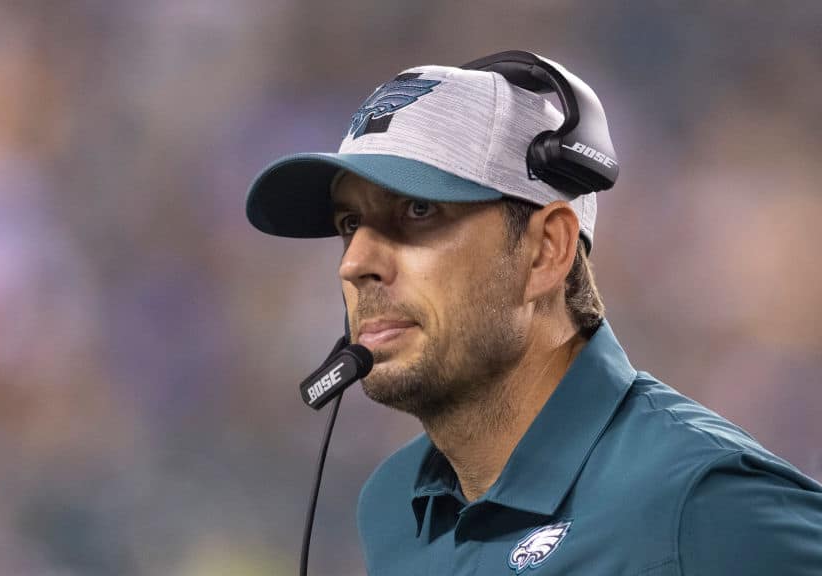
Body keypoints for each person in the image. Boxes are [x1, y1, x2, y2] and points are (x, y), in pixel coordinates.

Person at [245, 54, 822, 575]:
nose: (355, 263)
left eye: (418, 210)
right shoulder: (394, 506)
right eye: (350, 225)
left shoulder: (701, 503)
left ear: (547, 251)